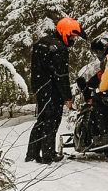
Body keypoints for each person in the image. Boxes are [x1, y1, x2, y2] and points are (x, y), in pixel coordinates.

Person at [25, 17, 84, 163]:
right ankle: (48, 155)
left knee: (42, 120)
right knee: (52, 120)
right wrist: (67, 97)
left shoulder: (43, 42)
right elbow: (61, 75)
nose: (73, 40)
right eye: (72, 36)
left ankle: (32, 154)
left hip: (40, 86)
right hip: (52, 89)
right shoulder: (59, 49)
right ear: (65, 32)